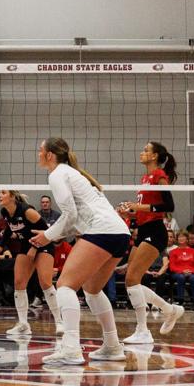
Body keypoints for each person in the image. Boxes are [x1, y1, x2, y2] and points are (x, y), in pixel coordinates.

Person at [27, 137, 131, 367]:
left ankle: (71, 348)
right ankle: (112, 346)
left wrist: (47, 235)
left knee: (65, 285)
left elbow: (70, 214)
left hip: (101, 231)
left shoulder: (57, 174)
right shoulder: (74, 174)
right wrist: (55, 232)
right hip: (119, 233)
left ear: (50, 155)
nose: (37, 154)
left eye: (40, 150)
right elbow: (74, 220)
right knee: (92, 289)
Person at [116, 141, 183, 344]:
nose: (142, 152)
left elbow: (168, 205)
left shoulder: (159, 175)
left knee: (132, 279)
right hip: (143, 230)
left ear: (154, 156)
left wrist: (140, 207)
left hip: (156, 231)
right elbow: (144, 210)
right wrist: (131, 211)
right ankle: (169, 310)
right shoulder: (145, 178)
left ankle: (143, 330)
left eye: (146, 150)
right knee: (131, 279)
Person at [0, 189, 60, 337]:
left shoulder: (27, 211)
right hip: (26, 245)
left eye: (3, 193)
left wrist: (35, 248)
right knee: (19, 283)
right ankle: (23, 324)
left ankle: (60, 322)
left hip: (43, 244)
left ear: (12, 196)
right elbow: (9, 230)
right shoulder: (5, 211)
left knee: (45, 283)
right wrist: (0, 246)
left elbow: (45, 231)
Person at [168, 231, 194, 307]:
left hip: (191, 272)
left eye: (183, 237)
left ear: (187, 239)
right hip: (177, 273)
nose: (181, 238)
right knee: (181, 277)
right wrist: (182, 271)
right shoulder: (173, 252)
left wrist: (191, 271)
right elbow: (172, 266)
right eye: (179, 237)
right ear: (177, 239)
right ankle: (180, 300)